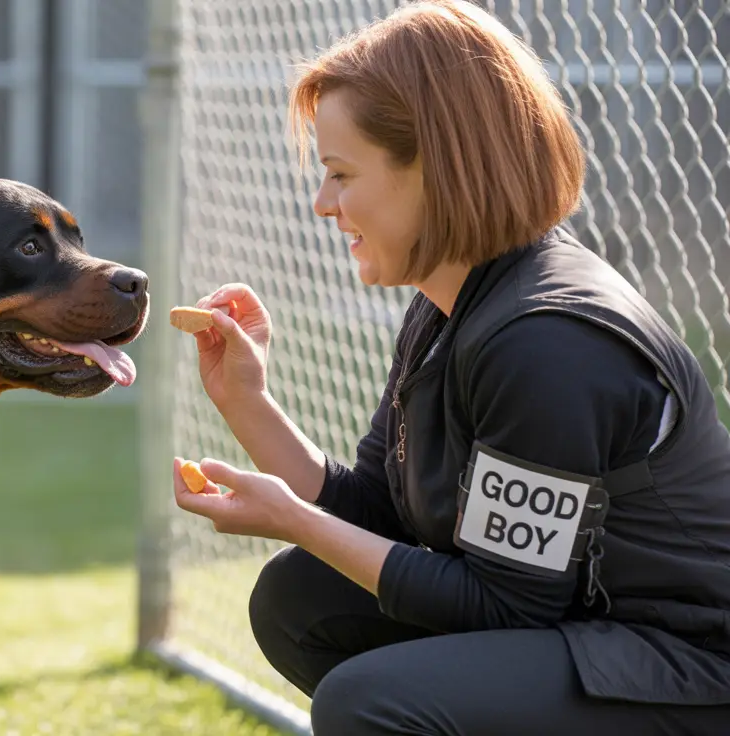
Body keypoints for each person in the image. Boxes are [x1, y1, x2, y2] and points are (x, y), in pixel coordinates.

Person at [170, 1, 730, 734]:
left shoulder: (547, 341)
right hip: (593, 636)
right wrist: (247, 402)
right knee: (300, 599)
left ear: (437, 169)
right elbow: (377, 509)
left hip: (689, 665)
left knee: (371, 701)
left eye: (340, 173)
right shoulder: (450, 302)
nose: (321, 203)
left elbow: (506, 603)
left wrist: (294, 520)